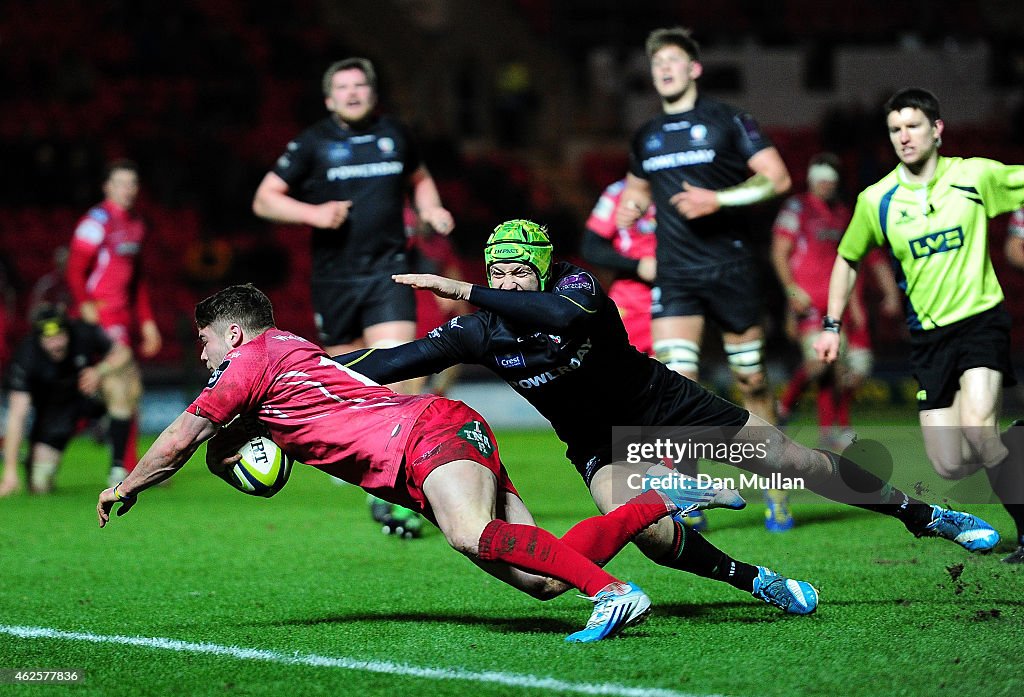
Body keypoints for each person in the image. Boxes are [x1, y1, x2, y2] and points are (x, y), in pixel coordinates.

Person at [336, 220, 1000, 597]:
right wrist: (309, 370)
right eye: (495, 273)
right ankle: (758, 579)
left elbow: (551, 314)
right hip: (599, 439)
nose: (505, 284)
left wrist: (461, 284)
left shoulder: (574, 289)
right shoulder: (478, 329)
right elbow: (394, 362)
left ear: (540, 270)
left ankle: (924, 514)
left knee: (791, 462)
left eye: (516, 272)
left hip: (664, 404)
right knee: (647, 532)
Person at [95, 284, 786, 643]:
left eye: (205, 340)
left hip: (423, 432)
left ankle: (613, 593)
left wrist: (127, 483)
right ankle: (655, 502)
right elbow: (230, 452)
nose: (202, 354)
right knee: (538, 577)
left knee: (466, 531)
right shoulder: (275, 361)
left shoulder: (248, 359)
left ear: (233, 332)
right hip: (425, 446)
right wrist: (227, 458)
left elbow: (181, 438)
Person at [814, 88, 1024, 563]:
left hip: (980, 321)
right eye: (895, 129)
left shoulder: (976, 175)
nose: (904, 136)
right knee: (951, 463)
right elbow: (848, 259)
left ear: (937, 129)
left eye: (913, 125)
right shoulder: (877, 199)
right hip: (929, 340)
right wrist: (832, 324)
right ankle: (1015, 446)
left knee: (978, 426)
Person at [251, 57, 453, 531]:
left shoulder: (396, 135)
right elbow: (265, 198)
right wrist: (313, 214)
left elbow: (420, 179)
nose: (353, 93)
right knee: (346, 387)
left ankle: (400, 490)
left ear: (372, 92)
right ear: (329, 98)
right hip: (335, 281)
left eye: (360, 85)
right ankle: (370, 469)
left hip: (389, 273)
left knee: (401, 372)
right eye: (343, 87)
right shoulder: (312, 143)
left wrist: (433, 208)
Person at [614, 27, 794, 531]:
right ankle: (691, 496)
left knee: (751, 380)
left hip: (731, 270)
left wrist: (720, 199)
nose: (664, 69)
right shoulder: (646, 135)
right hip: (677, 275)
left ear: (694, 68)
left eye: (673, 61)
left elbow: (776, 178)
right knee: (676, 387)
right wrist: (632, 208)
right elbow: (636, 192)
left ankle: (777, 487)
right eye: (656, 64)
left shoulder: (728, 120)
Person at [771, 154, 901, 451]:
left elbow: (871, 257)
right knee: (821, 363)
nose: (826, 186)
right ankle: (786, 408)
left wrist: (885, 293)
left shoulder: (843, 214)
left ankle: (830, 429)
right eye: (821, 180)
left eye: (831, 181)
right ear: (812, 180)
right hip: (808, 303)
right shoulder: (797, 208)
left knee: (838, 368)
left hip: (836, 305)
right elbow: (779, 251)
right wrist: (790, 291)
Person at [66, 159, 162, 487]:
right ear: (107, 187)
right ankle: (126, 464)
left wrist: (147, 321)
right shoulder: (96, 221)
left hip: (124, 316)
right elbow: (75, 269)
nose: (128, 190)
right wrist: (85, 305)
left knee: (126, 387)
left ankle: (127, 462)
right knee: (122, 384)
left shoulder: (137, 225)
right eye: (121, 183)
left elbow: (138, 281)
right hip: (102, 315)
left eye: (132, 183)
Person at [2, 304, 132, 495]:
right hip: (55, 415)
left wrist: (99, 371)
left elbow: (124, 353)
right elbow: (16, 417)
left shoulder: (82, 332)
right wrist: (10, 472)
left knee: (119, 383)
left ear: (67, 331)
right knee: (39, 485)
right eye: (49, 339)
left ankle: (117, 467)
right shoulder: (26, 357)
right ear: (39, 339)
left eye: (60, 336)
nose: (57, 344)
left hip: (88, 397)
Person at [581, 176, 657, 356]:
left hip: (680, 293)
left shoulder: (685, 186)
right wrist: (638, 266)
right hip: (634, 298)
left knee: (676, 372)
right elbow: (591, 247)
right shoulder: (618, 193)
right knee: (620, 369)